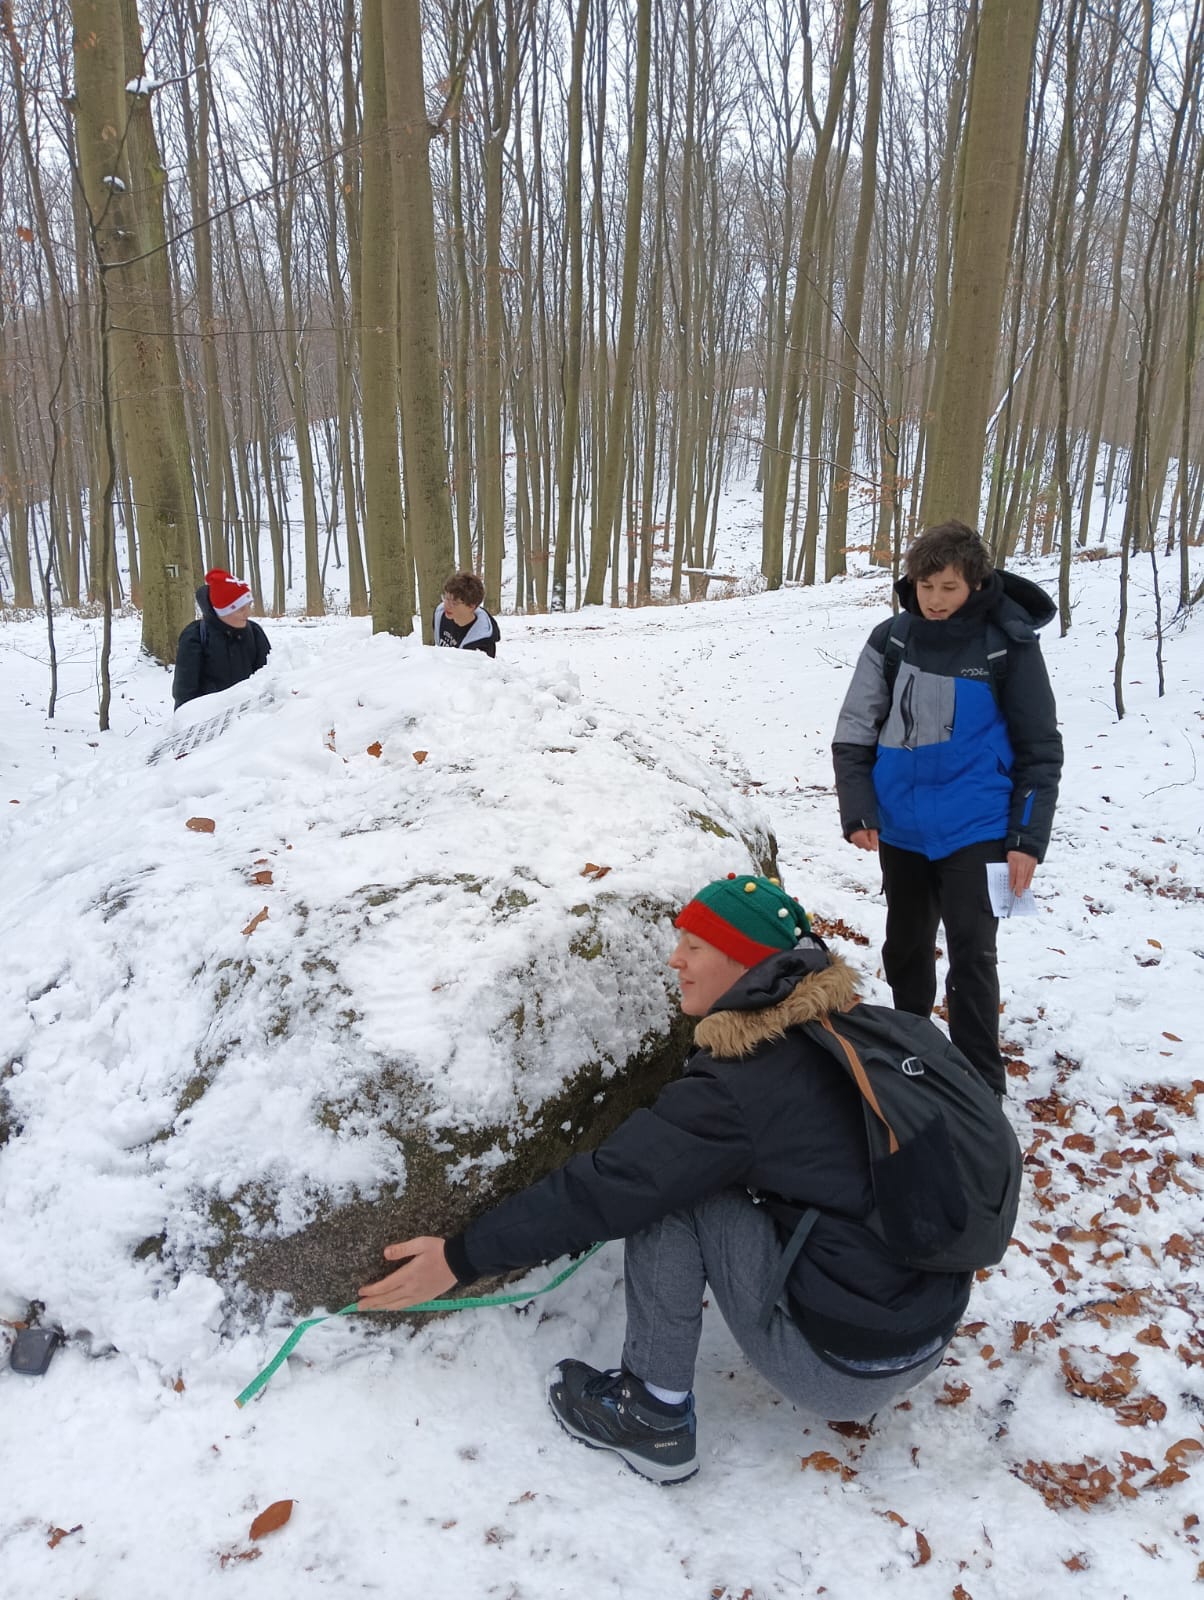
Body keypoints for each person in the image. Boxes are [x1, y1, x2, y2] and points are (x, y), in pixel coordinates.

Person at [359, 875, 971, 1485]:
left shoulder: (742, 1086)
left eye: (694, 946)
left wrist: (461, 1258)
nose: (675, 960)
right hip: (923, 1333)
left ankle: (652, 1414)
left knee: (674, 1192)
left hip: (846, 1367)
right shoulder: (852, 1027)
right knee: (693, 1173)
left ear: (747, 963)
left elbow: (611, 1186)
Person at [832, 521, 1062, 1097]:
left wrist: (1026, 839)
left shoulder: (1007, 645)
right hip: (902, 829)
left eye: (948, 588)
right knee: (906, 947)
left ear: (976, 583)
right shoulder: (891, 639)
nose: (934, 599)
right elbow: (855, 730)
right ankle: (911, 1054)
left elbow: (1040, 750)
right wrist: (859, 808)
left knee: (973, 953)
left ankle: (981, 1085)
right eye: (925, 585)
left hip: (978, 828)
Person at [172, 569, 271, 710]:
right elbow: (184, 693)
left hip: (251, 715)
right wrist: (185, 719)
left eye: (249, 606)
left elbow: (268, 677)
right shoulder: (195, 636)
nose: (248, 613)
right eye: (240, 609)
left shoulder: (255, 632)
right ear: (222, 611)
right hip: (210, 716)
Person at [433, 572, 500, 657]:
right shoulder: (440, 614)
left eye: (454, 602)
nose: (447, 605)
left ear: (471, 606)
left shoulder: (483, 644)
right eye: (446, 598)